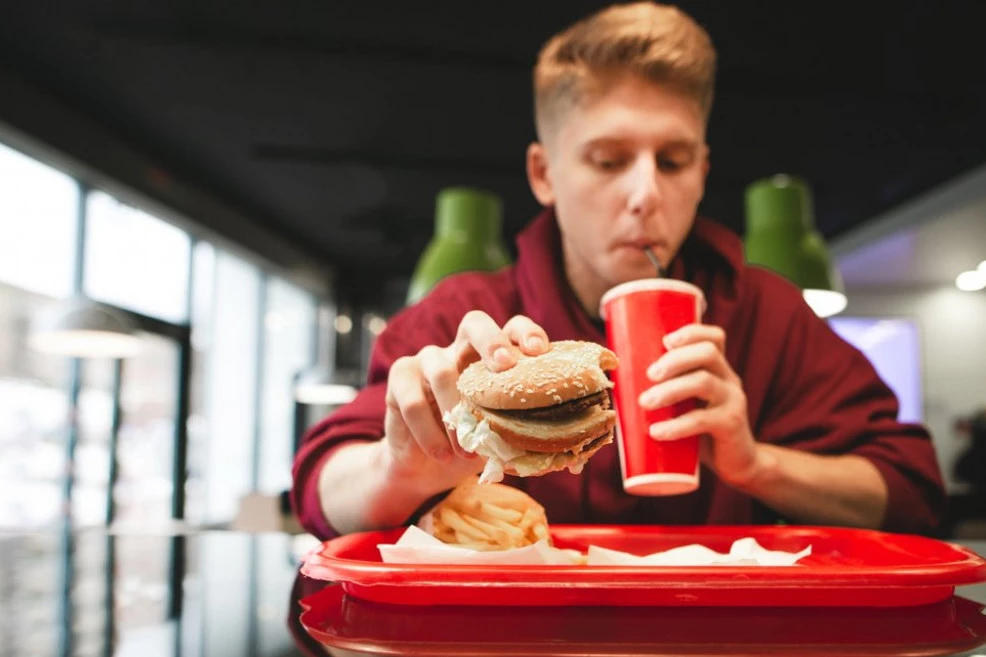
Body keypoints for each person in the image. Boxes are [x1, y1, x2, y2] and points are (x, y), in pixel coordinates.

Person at [291, 2, 945, 540]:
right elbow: (320, 486)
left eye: (673, 160)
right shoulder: (466, 314)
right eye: (608, 160)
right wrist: (400, 466)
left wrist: (757, 463)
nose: (645, 194)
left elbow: (912, 493)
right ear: (544, 174)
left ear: (702, 174)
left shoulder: (765, 311)